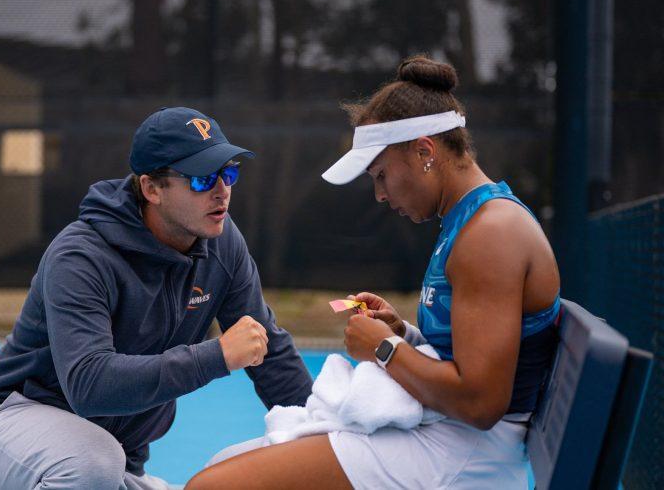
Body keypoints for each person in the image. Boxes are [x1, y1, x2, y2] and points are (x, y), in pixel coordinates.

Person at [186, 56, 561, 489]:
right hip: (451, 438)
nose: (380, 195)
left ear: (424, 151)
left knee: (209, 487)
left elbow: (481, 403)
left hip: (464, 453)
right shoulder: (470, 222)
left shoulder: (489, 235)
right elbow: (472, 357)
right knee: (222, 464)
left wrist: (385, 349)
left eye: (381, 175)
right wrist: (404, 333)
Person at [0, 106, 313, 490]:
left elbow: (269, 353)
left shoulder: (223, 243)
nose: (221, 189)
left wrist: (325, 429)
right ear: (151, 188)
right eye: (202, 178)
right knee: (91, 465)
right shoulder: (81, 256)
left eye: (229, 172)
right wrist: (217, 356)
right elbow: (90, 385)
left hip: (114, 460)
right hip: (7, 425)